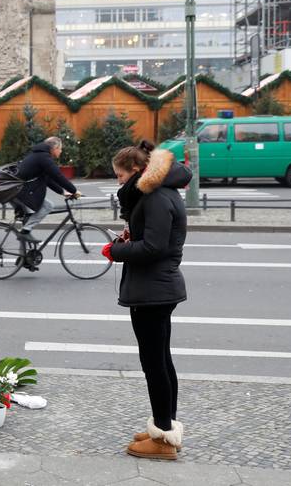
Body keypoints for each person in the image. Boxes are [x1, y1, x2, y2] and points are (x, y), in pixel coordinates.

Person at [102, 140, 192, 460]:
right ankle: (162, 427)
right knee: (161, 360)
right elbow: (153, 240)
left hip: (153, 291)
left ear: (137, 171)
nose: (118, 181)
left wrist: (117, 250)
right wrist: (130, 238)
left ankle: (163, 440)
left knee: (154, 364)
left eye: (120, 175)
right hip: (155, 288)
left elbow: (154, 248)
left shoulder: (155, 197)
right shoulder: (160, 193)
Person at [14, 136, 81, 243]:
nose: (61, 151)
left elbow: (47, 179)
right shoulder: (44, 157)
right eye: (60, 148)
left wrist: (63, 192)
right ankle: (25, 232)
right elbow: (57, 175)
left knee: (34, 214)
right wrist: (74, 190)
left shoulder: (39, 155)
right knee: (47, 206)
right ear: (54, 148)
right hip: (20, 191)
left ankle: (25, 255)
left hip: (19, 190)